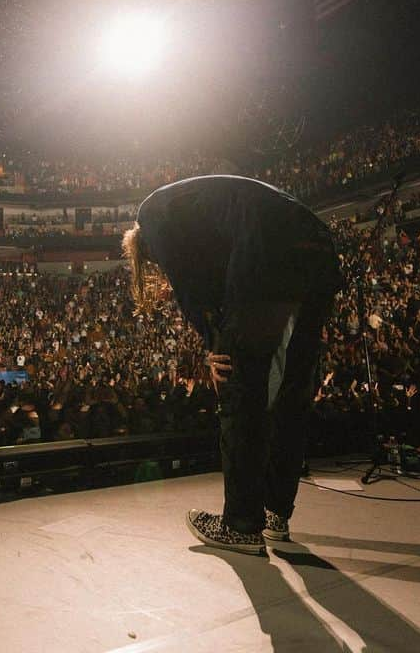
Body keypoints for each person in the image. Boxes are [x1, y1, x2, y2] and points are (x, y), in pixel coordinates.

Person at [122, 172, 342, 555]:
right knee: (293, 387)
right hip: (319, 247)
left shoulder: (152, 215)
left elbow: (190, 287)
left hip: (268, 245)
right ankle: (276, 513)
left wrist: (215, 347)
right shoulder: (198, 212)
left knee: (241, 387)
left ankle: (240, 524)